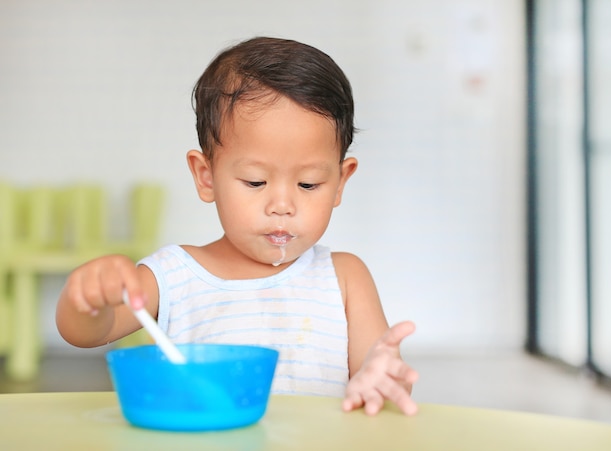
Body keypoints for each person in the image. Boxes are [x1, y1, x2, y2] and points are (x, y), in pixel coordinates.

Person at [56, 36, 418, 416]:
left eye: (308, 184)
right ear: (206, 176)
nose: (282, 206)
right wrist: (88, 296)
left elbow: (381, 378)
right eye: (255, 182)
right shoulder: (174, 275)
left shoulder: (345, 279)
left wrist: (381, 377)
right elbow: (82, 334)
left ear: (341, 182)